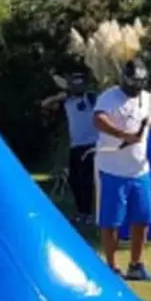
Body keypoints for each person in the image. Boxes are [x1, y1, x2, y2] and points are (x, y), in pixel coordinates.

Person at [92, 57, 151, 281]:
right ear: (124, 79)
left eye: (140, 83)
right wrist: (124, 135)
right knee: (111, 221)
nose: (136, 87)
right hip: (112, 168)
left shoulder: (147, 99)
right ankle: (112, 267)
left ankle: (136, 264)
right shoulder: (109, 97)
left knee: (142, 218)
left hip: (140, 169)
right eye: (133, 82)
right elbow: (98, 120)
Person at [40, 72, 98, 223]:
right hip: (75, 145)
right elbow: (45, 104)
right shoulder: (67, 101)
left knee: (87, 179)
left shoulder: (90, 97)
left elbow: (97, 101)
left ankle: (89, 213)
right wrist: (61, 95)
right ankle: (80, 212)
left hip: (91, 145)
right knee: (74, 180)